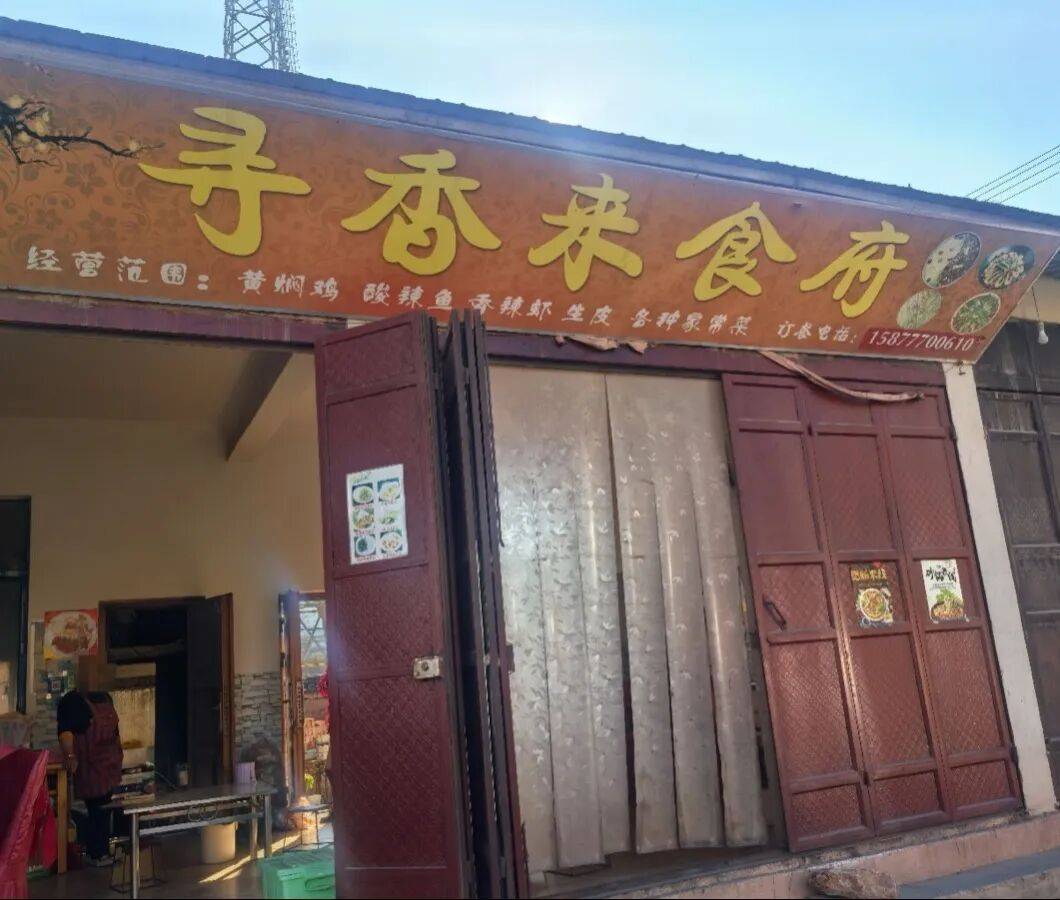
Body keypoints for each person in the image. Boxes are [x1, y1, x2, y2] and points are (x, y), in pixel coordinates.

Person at [57, 689, 122, 866]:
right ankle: (99, 853)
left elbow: (65, 733)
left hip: (96, 767)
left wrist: (70, 757)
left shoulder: (76, 700)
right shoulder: (93, 699)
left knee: (98, 810)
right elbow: (115, 735)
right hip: (103, 766)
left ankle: (99, 853)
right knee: (101, 810)